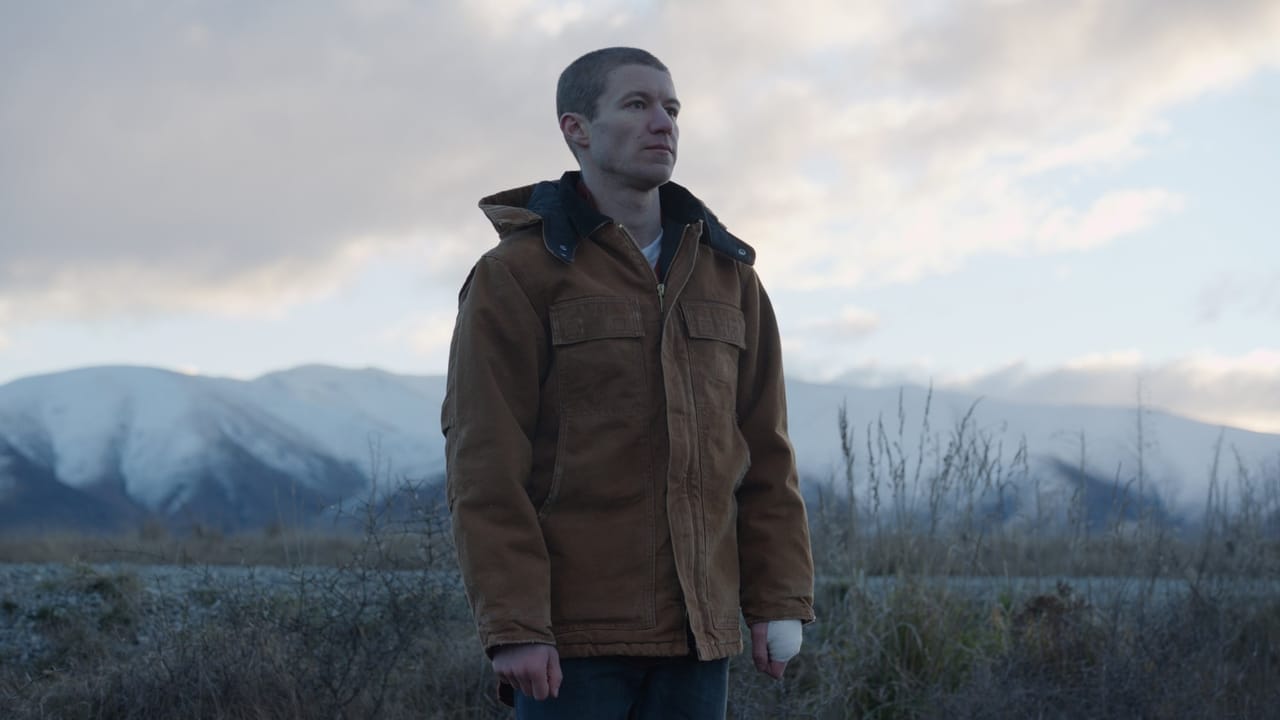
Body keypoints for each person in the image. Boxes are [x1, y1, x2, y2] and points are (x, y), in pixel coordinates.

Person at [441, 46, 815, 719]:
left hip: (698, 637)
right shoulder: (518, 275)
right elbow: (485, 464)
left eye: (672, 108)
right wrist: (515, 624)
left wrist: (777, 599)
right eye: (637, 105)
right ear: (576, 128)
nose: (663, 123)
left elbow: (766, 455)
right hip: (571, 642)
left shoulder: (728, 276)